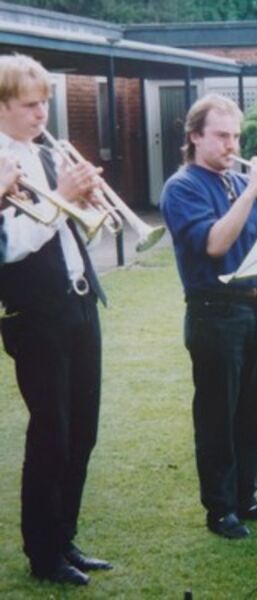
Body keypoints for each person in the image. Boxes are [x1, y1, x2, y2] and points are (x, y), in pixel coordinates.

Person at [0, 53, 112, 585]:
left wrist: (89, 202)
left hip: (79, 302)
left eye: (45, 102)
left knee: (83, 430)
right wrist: (62, 200)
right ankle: (43, 553)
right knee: (53, 432)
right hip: (35, 313)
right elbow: (9, 247)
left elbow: (81, 229)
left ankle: (65, 538)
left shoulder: (46, 153)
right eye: (29, 104)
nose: (41, 113)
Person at [161, 94, 257, 539]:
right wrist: (252, 191)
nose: (232, 145)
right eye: (221, 136)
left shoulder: (235, 180)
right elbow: (215, 243)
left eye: (236, 136)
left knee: (255, 410)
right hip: (214, 310)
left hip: (255, 303)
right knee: (218, 415)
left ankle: (246, 496)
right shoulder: (183, 187)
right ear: (195, 136)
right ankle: (219, 509)